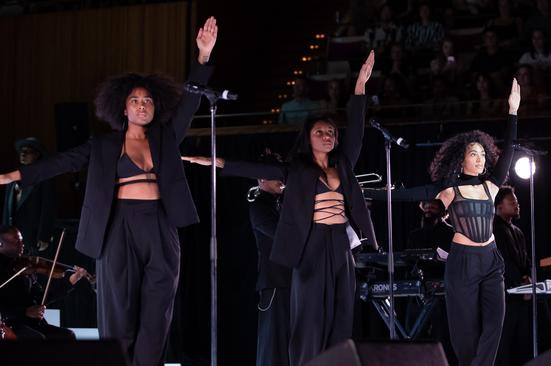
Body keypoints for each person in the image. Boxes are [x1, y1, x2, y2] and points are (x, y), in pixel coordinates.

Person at [0, 16, 217, 366]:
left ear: (155, 106)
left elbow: (190, 103)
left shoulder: (166, 137)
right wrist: (13, 175)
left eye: (148, 100)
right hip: (118, 228)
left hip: (161, 226)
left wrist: (203, 57)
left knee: (158, 309)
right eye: (135, 100)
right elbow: (64, 161)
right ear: (123, 107)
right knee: (119, 310)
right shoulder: (103, 144)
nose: (143, 105)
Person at [184, 51, 378, 366]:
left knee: (342, 314)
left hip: (340, 245)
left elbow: (356, 131)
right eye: (320, 132)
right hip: (311, 245)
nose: (327, 136)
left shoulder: (343, 164)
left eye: (331, 132)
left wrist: (359, 88)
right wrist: (213, 161)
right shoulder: (297, 169)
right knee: (308, 319)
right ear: (309, 138)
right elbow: (249, 169)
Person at [429, 78, 521, 366]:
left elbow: (507, 155)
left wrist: (513, 112)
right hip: (463, 261)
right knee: (465, 334)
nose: (480, 159)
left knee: (495, 323)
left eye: (482, 154)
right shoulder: (450, 190)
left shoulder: (490, 187)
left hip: (491, 260)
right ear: (461, 161)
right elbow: (427, 203)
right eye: (473, 154)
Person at [0, 225, 88, 340]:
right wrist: (25, 312)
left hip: (29, 323)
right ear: (1, 244)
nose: (22, 244)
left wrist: (70, 281)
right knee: (38, 339)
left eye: (22, 240)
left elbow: (41, 297)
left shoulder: (25, 267)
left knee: (67, 336)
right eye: (16, 241)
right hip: (8, 323)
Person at [248, 150, 292, 366]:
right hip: (275, 282)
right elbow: (282, 236)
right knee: (273, 343)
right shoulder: (259, 206)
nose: (281, 181)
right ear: (261, 178)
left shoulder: (283, 203)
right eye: (275, 175)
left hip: (292, 281)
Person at [493, 186, 532, 366]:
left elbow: (525, 260)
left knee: (521, 343)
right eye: (512, 202)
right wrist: (519, 284)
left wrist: (529, 278)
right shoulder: (494, 228)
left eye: (517, 202)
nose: (517, 205)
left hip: (520, 294)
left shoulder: (517, 231)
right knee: (504, 345)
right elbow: (503, 261)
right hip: (504, 295)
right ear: (499, 206)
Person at [2, 137, 55, 255]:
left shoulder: (44, 178)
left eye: (28, 151)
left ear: (37, 155)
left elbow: (48, 208)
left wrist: (44, 235)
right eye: (21, 151)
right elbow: (7, 209)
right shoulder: (12, 178)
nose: (23, 154)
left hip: (31, 235)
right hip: (11, 237)